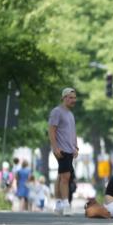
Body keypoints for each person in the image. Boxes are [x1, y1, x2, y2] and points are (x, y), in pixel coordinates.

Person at [48, 87, 79, 216]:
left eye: (74, 98)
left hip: (69, 149)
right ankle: (66, 204)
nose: (73, 100)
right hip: (61, 149)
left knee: (61, 176)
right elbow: (51, 130)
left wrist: (76, 147)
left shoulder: (70, 114)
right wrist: (55, 147)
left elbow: (73, 132)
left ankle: (59, 203)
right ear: (64, 98)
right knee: (66, 177)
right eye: (71, 98)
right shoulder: (57, 112)